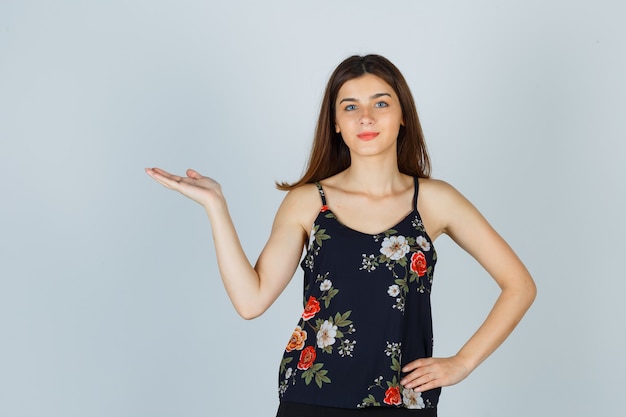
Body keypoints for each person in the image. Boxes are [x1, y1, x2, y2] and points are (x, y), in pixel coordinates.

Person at [145, 54, 536, 416]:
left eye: (380, 103)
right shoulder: (308, 202)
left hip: (401, 400)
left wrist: (462, 363)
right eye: (350, 107)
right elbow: (251, 300)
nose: (365, 117)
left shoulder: (434, 201)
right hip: (311, 398)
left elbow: (519, 285)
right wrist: (217, 207)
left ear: (403, 115)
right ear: (335, 122)